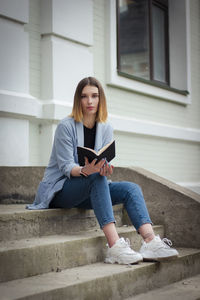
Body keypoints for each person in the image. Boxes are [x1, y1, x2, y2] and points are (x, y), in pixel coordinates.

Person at [27, 77, 178, 264]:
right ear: (78, 100)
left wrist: (104, 169)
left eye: (94, 96)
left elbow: (103, 158)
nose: (89, 101)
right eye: (84, 96)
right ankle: (115, 247)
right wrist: (86, 170)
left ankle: (150, 242)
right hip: (60, 190)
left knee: (131, 188)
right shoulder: (66, 126)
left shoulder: (106, 127)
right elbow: (66, 166)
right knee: (95, 177)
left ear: (100, 99)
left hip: (91, 187)